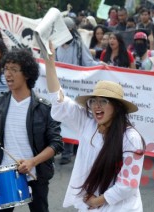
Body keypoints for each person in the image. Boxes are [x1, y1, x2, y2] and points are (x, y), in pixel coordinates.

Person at [45, 42, 146, 211]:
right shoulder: (88, 122)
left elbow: (128, 184)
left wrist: (96, 201)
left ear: (117, 107)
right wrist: (49, 62)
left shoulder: (131, 138)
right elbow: (59, 100)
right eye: (93, 101)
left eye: (104, 101)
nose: (97, 106)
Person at [0, 49, 63, 211]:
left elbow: (56, 144)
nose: (8, 74)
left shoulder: (43, 107)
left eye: (13, 70)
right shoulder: (2, 101)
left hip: (35, 174)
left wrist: (33, 161)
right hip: (6, 172)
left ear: (27, 74)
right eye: (6, 69)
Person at [56, 16, 99, 165]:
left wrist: (101, 66)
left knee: (71, 117)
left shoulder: (79, 46)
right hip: (60, 88)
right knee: (59, 118)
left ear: (71, 30)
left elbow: (88, 63)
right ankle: (60, 148)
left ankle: (68, 153)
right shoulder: (55, 46)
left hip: (74, 89)